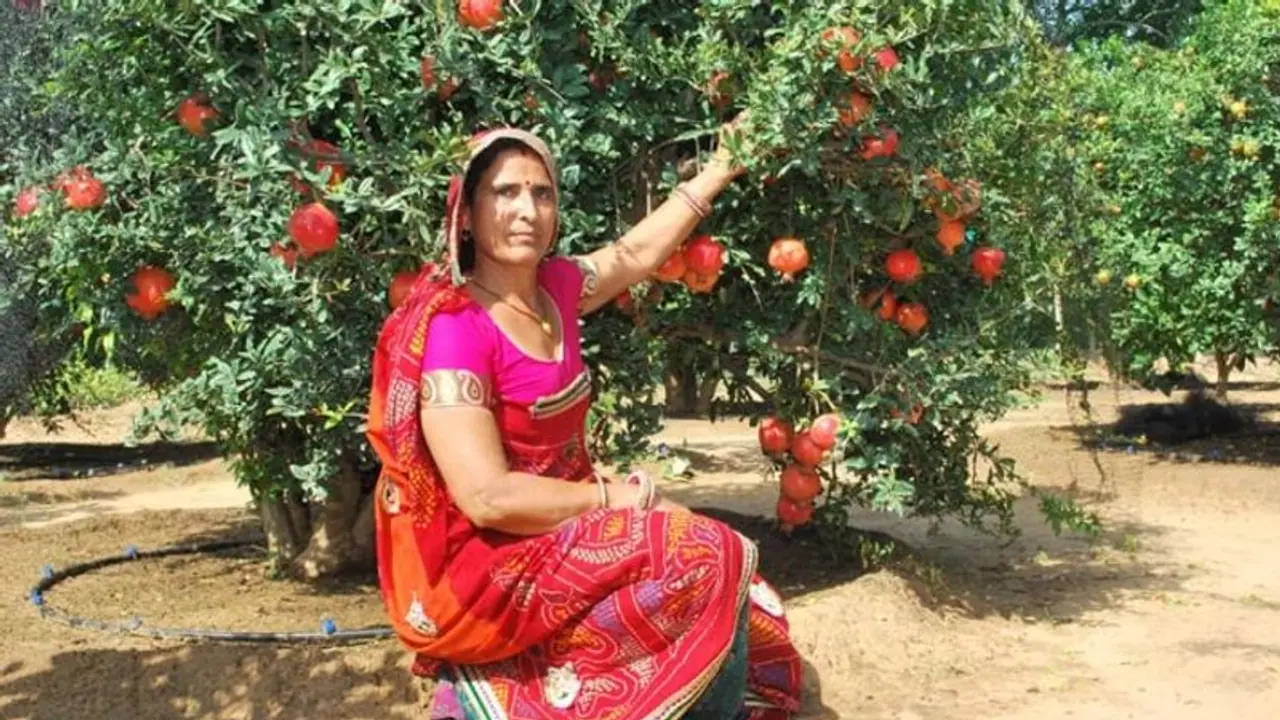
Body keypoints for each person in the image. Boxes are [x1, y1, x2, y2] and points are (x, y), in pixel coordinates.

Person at [366, 120, 804, 719]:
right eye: (505, 193)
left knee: (743, 580)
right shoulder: (456, 331)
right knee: (706, 555)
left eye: (541, 193)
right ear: (465, 214)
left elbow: (636, 255)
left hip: (559, 521)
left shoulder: (557, 288)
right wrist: (611, 498)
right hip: (490, 560)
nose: (526, 210)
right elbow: (487, 498)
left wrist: (723, 165)